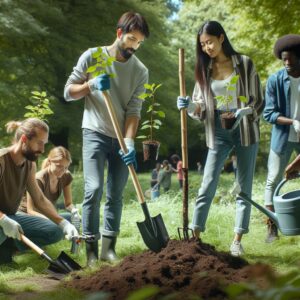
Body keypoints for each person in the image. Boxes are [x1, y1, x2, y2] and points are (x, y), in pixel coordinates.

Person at [64, 12, 150, 265]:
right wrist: (89, 86)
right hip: (94, 132)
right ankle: (90, 249)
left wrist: (130, 141)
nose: (134, 46)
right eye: (131, 39)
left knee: (115, 193)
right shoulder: (93, 56)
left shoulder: (140, 71)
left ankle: (108, 248)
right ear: (119, 33)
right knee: (93, 188)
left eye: (139, 43)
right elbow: (68, 92)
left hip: (122, 139)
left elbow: (134, 111)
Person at [177, 21, 264, 256]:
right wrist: (188, 106)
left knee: (243, 186)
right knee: (208, 182)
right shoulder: (203, 70)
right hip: (217, 129)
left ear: (221, 38)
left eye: (210, 42)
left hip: (244, 127)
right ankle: (195, 236)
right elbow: (201, 108)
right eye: (203, 44)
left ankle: (236, 239)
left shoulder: (244, 64)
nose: (207, 48)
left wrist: (245, 111)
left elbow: (258, 100)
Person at [0, 119, 78, 264]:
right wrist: (3, 220)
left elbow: (40, 199)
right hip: (3, 218)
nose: (43, 149)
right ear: (24, 139)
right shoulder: (1, 160)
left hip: (12, 217)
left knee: (55, 231)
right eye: (39, 142)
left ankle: (9, 245)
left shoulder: (30, 164)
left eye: (45, 143)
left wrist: (63, 223)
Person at [263, 34, 300, 243]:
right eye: (283, 59)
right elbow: (269, 113)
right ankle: (272, 227)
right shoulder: (275, 80)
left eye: (290, 59)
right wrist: (293, 122)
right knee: (273, 179)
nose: (287, 63)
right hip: (282, 138)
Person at [18, 147, 81, 230]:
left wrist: (74, 211)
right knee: (56, 228)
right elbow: (31, 210)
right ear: (50, 162)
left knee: (71, 218)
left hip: (47, 215)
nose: (63, 170)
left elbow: (68, 204)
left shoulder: (66, 176)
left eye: (66, 167)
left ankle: (75, 241)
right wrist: (53, 221)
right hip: (28, 216)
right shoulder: (38, 179)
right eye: (59, 166)